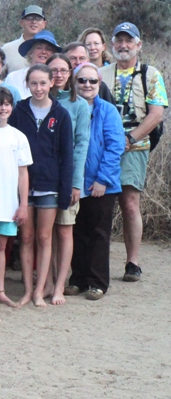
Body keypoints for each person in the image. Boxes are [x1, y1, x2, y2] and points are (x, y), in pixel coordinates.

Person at [100, 22, 168, 282]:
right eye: (119, 40)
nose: (124, 45)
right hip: (104, 148)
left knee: (129, 204)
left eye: (129, 41)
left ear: (138, 45)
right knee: (99, 204)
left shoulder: (150, 75)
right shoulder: (100, 73)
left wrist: (129, 139)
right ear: (113, 43)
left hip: (135, 147)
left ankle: (133, 262)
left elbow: (157, 114)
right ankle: (96, 260)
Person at [9, 64, 74, 308]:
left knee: (44, 237)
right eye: (34, 83)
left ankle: (40, 290)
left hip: (50, 184)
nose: (38, 88)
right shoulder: (19, 111)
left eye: (43, 83)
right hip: (24, 184)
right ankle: (27, 290)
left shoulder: (61, 114)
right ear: (27, 84)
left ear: (51, 84)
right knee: (25, 237)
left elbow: (67, 156)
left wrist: (65, 191)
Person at [68, 63, 125, 300]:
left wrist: (102, 179)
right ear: (74, 82)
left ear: (99, 83)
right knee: (76, 232)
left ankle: (97, 282)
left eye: (92, 81)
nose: (87, 85)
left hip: (101, 184)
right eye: (82, 80)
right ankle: (77, 279)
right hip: (74, 182)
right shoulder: (68, 107)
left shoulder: (108, 110)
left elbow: (115, 147)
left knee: (98, 233)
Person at [46, 53, 89, 305]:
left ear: (70, 73)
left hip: (67, 177)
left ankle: (61, 284)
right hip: (43, 177)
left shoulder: (79, 105)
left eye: (63, 70)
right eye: (54, 70)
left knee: (64, 230)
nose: (59, 75)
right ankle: (48, 281)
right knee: (45, 234)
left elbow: (82, 143)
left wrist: (75, 182)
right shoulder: (39, 100)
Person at [0, 87, 31, 308]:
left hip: (7, 203)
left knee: (0, 246)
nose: (2, 108)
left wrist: (23, 205)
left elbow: (23, 173)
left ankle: (0, 291)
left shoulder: (18, 136)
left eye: (6, 104)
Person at [3, 30, 61, 99]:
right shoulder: (13, 77)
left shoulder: (57, 78)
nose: (44, 52)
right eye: (39, 48)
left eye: (48, 49)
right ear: (30, 53)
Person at [1, 5, 48, 73]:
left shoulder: (53, 49)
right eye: (29, 18)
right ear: (22, 22)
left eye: (38, 18)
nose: (34, 22)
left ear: (44, 24)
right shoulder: (7, 49)